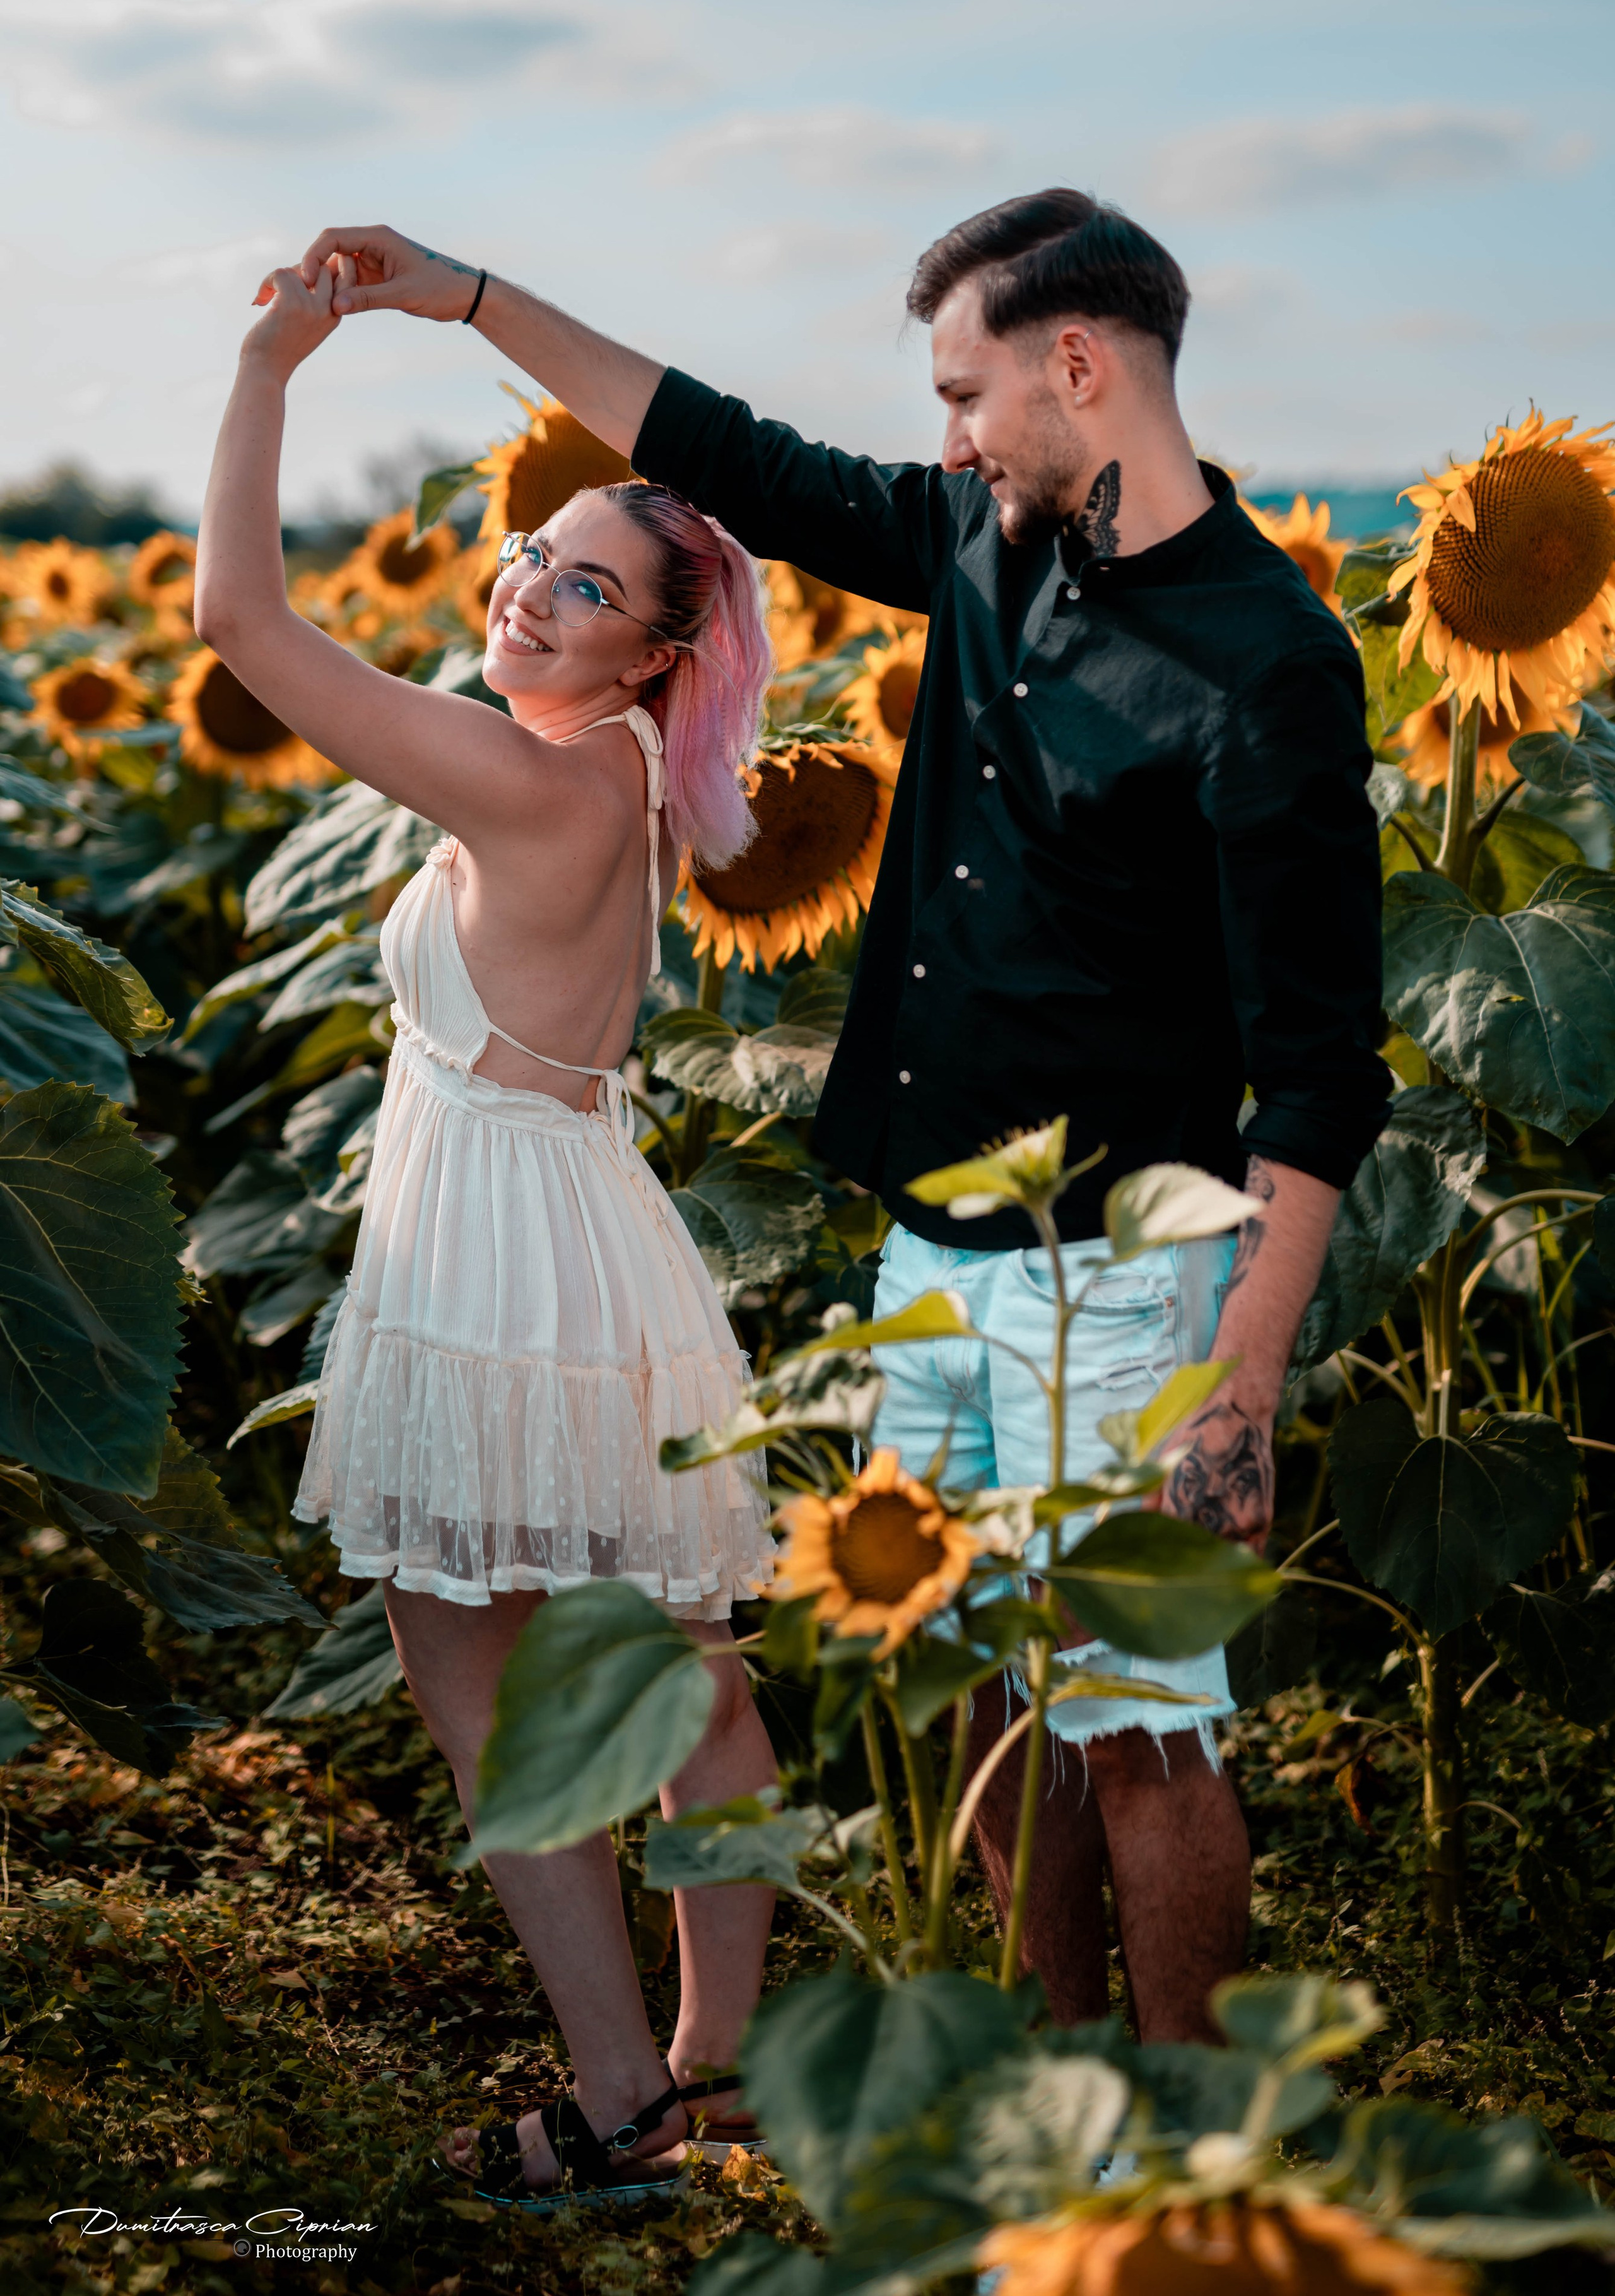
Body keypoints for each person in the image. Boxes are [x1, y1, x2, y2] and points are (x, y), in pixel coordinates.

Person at [279, 192, 1390, 2041]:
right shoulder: (977, 536)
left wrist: (1245, 1385)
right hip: (933, 1243)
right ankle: (1046, 2084)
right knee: (986, 1694)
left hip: (1122, 1274)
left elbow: (1324, 1062)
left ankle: (1190, 2131)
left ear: (1082, 366)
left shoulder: (1269, 660)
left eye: (967, 393)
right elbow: (719, 449)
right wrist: (466, 296)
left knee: (1148, 1728)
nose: (945, 435)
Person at [192, 259, 779, 2199]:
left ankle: (619, 2102)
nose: (532, 584)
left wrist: (274, 359)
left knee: (482, 1681)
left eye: (589, 587)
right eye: (538, 548)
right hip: (588, 1232)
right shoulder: (610, 771)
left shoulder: (532, 777)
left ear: (646, 664)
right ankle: (719, 2063)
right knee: (684, 1660)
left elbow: (242, 624)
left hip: (498, 1261)